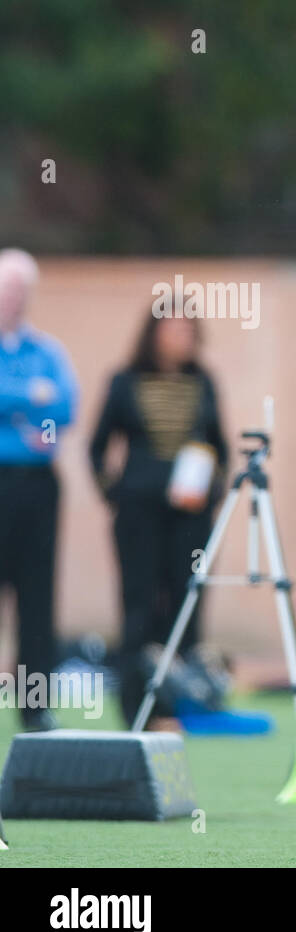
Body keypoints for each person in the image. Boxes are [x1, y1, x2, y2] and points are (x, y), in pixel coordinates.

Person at [89, 309, 229, 727]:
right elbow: (97, 448)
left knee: (186, 605)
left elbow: (218, 447)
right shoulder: (124, 381)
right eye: (174, 329)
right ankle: (136, 707)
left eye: (189, 330)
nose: (183, 337)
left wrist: (212, 489)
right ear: (153, 334)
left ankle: (177, 706)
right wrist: (115, 493)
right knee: (140, 608)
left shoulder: (203, 382)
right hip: (139, 514)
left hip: (189, 517)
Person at [0, 249, 79, 732]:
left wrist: (22, 408)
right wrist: (30, 396)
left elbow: (64, 409)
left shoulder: (46, 351)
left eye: (20, 290)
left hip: (36, 488)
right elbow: (40, 400)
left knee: (36, 599)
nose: (14, 299)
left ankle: (34, 706)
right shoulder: (35, 372)